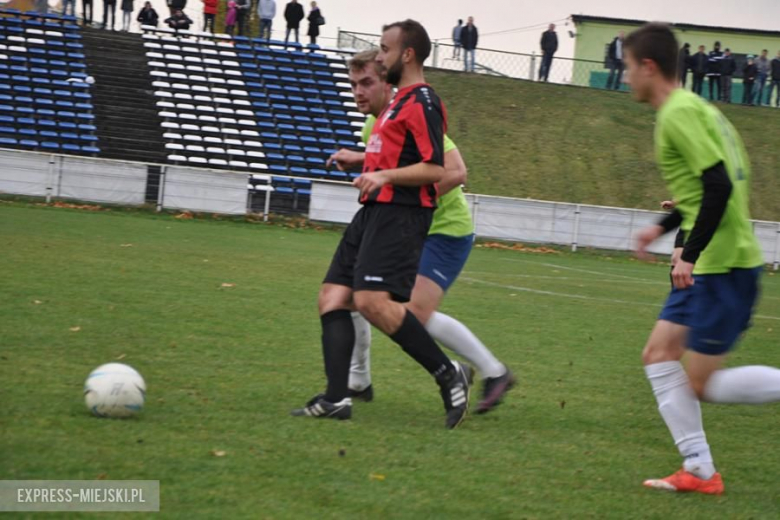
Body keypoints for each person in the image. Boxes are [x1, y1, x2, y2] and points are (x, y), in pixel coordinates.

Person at [291, 20, 473, 429]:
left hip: (401, 215)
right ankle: (337, 398)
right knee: (333, 298)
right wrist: (362, 160)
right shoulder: (397, 104)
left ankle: (449, 374)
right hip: (373, 211)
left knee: (373, 303)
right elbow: (396, 155)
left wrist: (385, 176)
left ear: (406, 54)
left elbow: (434, 167)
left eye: (385, 49)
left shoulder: (423, 100)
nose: (380, 55)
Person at [627, 22, 780, 496]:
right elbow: (704, 190)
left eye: (629, 66)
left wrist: (688, 254)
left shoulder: (677, 114)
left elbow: (718, 186)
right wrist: (663, 227)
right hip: (714, 260)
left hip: (723, 264)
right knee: (657, 354)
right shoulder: (698, 109)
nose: (625, 75)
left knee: (700, 383)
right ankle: (698, 468)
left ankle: (700, 468)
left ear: (649, 67)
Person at [327, 49, 516, 413]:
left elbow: (456, 171)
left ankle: (495, 372)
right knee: (352, 292)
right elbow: (392, 160)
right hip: (406, 228)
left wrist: (408, 201)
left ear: (388, 82)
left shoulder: (414, 111)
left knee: (411, 312)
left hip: (443, 230)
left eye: (367, 82)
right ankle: (358, 379)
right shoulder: (372, 125)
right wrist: (361, 158)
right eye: (353, 85)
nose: (358, 93)